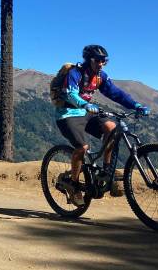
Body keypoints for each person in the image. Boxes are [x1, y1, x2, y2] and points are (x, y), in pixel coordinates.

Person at [56, 45, 150, 206]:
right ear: (88, 60)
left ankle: (107, 170)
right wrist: (84, 104)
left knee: (112, 129)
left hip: (87, 113)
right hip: (68, 114)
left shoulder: (100, 77)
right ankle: (73, 185)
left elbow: (116, 93)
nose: (101, 64)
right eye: (97, 60)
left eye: (104, 61)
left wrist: (136, 105)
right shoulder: (75, 73)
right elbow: (70, 94)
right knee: (82, 147)